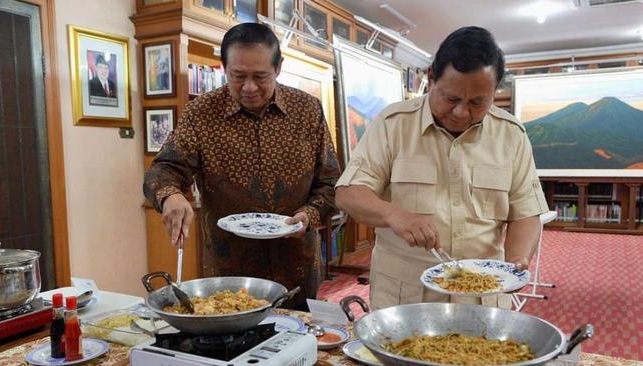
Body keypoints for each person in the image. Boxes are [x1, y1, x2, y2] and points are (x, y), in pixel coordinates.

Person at [335, 26, 548, 310]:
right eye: (451, 99)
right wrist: (395, 215)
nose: (462, 112)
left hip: (483, 294)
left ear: (495, 92)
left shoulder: (511, 135)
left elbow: (525, 212)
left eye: (477, 102)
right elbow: (348, 193)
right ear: (430, 78)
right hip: (405, 296)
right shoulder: (394, 124)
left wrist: (517, 260)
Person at [143, 22, 340, 310]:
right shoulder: (202, 113)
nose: (249, 88)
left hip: (296, 265)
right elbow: (163, 169)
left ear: (278, 68)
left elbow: (331, 182)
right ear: (224, 68)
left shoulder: (307, 111)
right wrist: (171, 194)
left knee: (297, 343)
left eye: (260, 76)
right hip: (230, 270)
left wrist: (309, 214)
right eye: (238, 76)